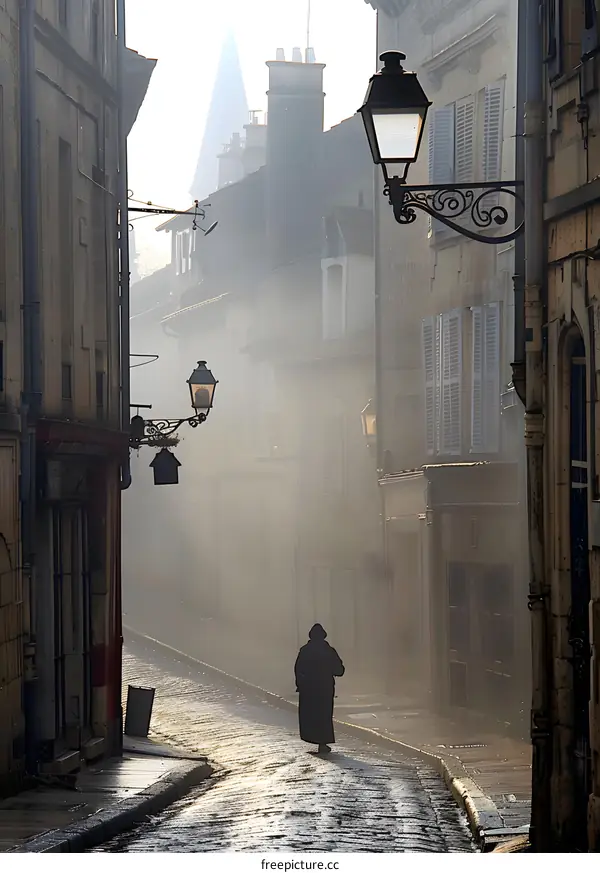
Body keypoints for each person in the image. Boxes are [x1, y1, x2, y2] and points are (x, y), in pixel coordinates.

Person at [294, 623, 345, 754]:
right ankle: (323, 742)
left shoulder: (304, 651)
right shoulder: (329, 651)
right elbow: (339, 670)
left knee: (311, 714)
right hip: (325, 688)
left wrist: (300, 684)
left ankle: (312, 737)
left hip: (308, 689)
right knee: (324, 715)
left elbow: (298, 669)